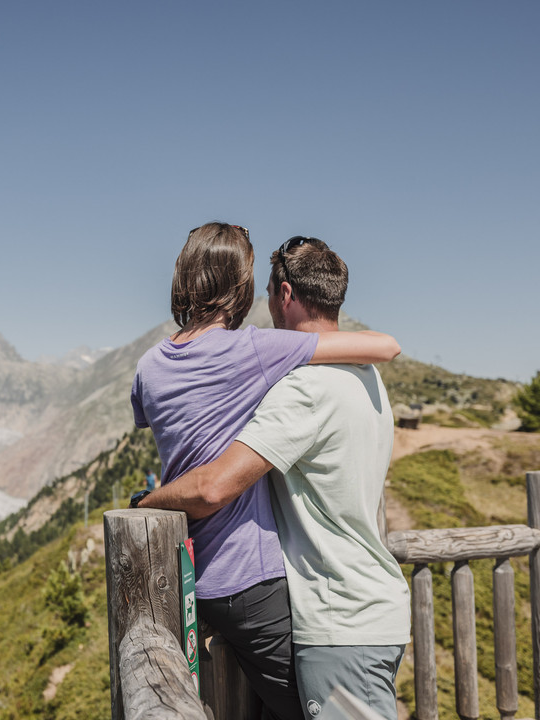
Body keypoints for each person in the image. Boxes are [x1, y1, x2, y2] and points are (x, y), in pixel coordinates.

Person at [130, 224, 400, 720]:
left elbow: (196, 464)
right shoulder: (346, 375)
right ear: (241, 285)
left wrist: (146, 501)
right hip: (273, 585)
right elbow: (384, 346)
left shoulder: (149, 366)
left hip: (195, 573)